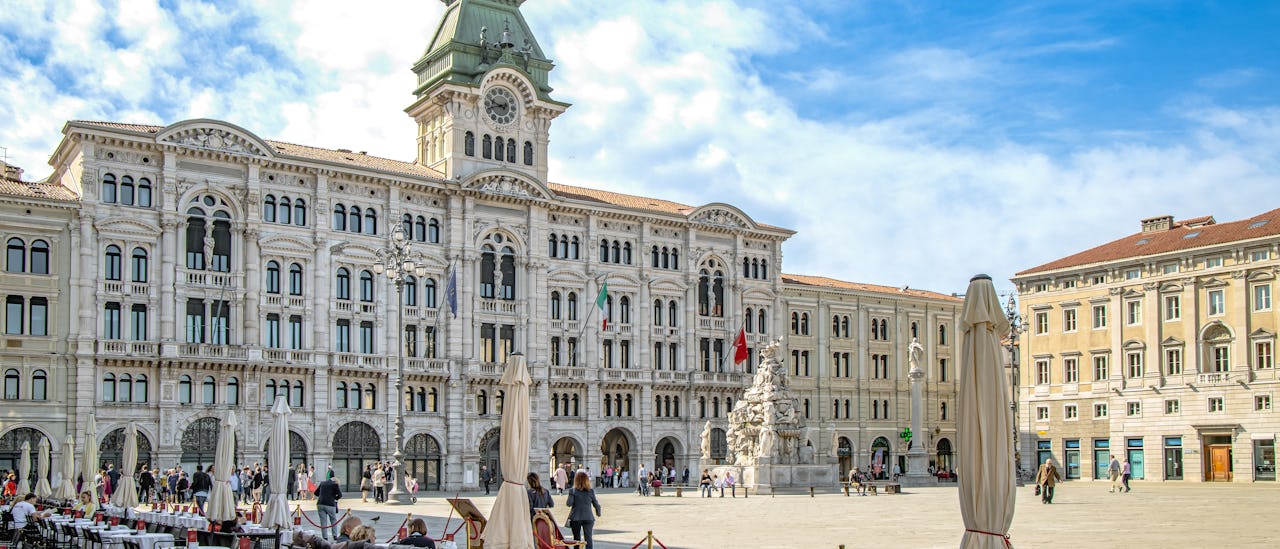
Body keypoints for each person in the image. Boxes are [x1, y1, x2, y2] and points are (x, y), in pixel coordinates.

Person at [566, 471, 601, 549]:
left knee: (576, 539)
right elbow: (596, 504)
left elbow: (569, 503)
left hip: (576, 518)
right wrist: (598, 512)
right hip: (588, 517)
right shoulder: (591, 491)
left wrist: (571, 494)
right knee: (588, 539)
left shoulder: (573, 491)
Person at [313, 473, 343, 540]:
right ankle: (335, 535)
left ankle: (325, 537)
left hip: (320, 503)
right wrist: (335, 498)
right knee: (333, 520)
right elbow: (340, 495)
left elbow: (316, 493)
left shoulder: (322, 483)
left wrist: (322, 496)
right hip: (330, 504)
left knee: (323, 521)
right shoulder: (335, 484)